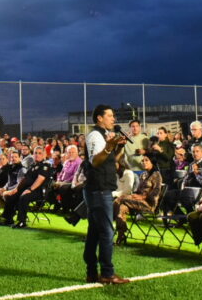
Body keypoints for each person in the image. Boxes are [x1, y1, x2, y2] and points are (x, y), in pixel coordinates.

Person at [82, 105, 130, 285]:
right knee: (107, 232)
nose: (113, 118)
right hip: (99, 190)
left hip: (100, 189)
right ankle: (107, 273)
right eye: (110, 115)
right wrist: (110, 147)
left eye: (113, 115)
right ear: (99, 118)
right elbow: (95, 161)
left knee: (94, 232)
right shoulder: (96, 135)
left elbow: (111, 162)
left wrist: (118, 148)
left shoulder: (104, 136)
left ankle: (92, 272)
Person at [114, 155, 162, 244]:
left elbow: (157, 191)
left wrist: (144, 197)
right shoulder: (143, 174)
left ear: (152, 162)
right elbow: (138, 190)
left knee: (121, 198)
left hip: (148, 203)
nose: (144, 162)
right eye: (142, 160)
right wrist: (135, 195)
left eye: (146, 160)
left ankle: (107, 224)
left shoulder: (156, 175)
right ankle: (121, 235)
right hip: (136, 202)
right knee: (122, 208)